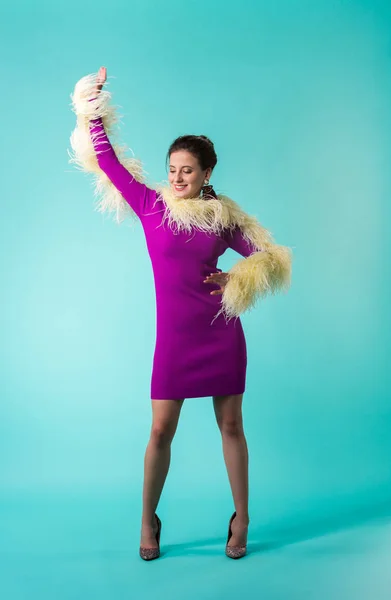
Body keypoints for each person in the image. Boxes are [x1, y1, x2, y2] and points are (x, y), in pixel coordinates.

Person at [69, 66, 292, 561]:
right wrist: (92, 106)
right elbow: (108, 163)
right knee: (159, 432)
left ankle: (243, 517)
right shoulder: (151, 206)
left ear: (207, 172)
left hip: (221, 333)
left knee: (231, 427)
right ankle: (148, 517)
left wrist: (240, 278)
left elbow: (269, 256)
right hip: (174, 340)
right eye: (172, 169)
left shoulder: (222, 217)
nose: (177, 178)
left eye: (187, 171)